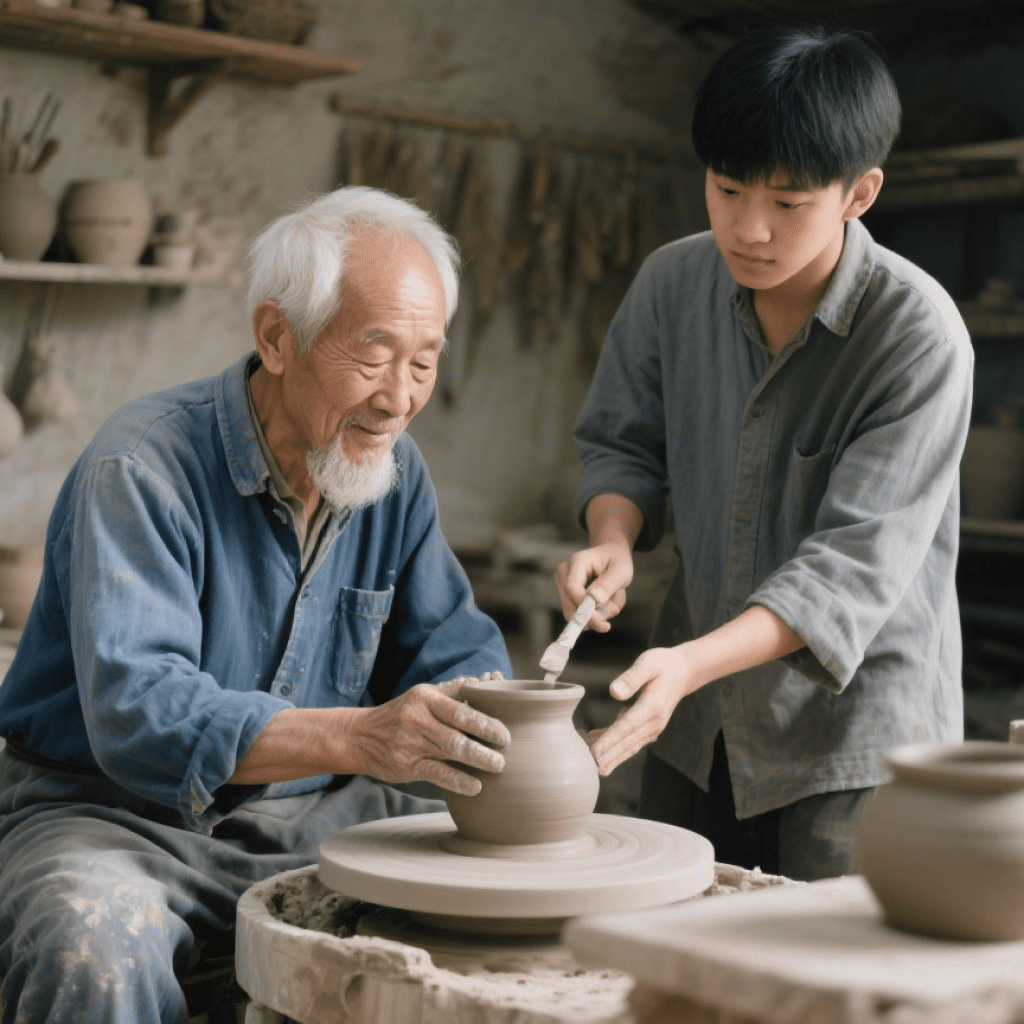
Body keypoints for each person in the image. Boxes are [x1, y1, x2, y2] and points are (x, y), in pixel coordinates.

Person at [0, 186, 513, 1022]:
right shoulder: (143, 468)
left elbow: (455, 657)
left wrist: (519, 730)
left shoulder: (392, 471)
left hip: (314, 825)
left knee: (487, 933)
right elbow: (142, 715)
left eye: (423, 362)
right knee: (92, 938)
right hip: (117, 823)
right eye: (376, 355)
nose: (398, 398)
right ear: (277, 337)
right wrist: (365, 736)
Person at [555, 27, 973, 881]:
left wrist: (687, 663)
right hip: (695, 727)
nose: (748, 229)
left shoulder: (916, 336)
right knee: (679, 984)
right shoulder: (672, 284)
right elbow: (622, 445)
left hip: (852, 746)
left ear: (859, 193)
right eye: (727, 188)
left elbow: (846, 574)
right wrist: (612, 536)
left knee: (827, 998)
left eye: (788, 204)